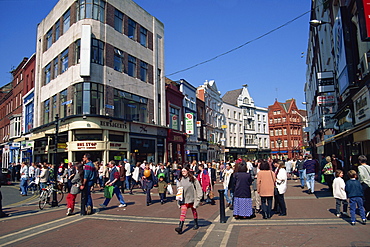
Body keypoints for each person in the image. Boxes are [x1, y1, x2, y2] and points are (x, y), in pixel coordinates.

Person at [175, 167, 203, 234]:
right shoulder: (180, 179)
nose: (183, 172)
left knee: (194, 210)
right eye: (182, 171)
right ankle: (180, 227)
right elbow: (178, 187)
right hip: (184, 199)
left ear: (187, 171)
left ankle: (196, 223)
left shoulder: (193, 178)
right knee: (183, 212)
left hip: (192, 198)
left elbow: (198, 188)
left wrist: (199, 197)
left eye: (184, 171)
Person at [357, 155, 370, 220]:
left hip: (365, 184)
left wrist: (361, 181)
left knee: (364, 198)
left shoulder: (360, 167)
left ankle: (367, 210)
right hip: (369, 183)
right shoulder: (369, 167)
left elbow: (361, 174)